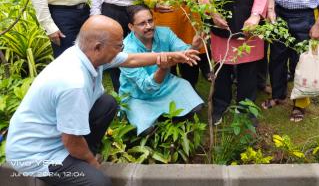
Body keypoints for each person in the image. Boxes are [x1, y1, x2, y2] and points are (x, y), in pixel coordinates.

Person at [6, 15, 199, 186]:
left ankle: (81, 157)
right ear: (98, 47)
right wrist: (92, 163)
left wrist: (173, 56)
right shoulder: (73, 82)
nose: (121, 49)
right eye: (118, 46)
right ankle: (82, 161)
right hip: (36, 155)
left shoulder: (84, 53)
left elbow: (131, 59)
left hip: (56, 137)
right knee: (99, 182)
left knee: (107, 103)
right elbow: (71, 140)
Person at [119, 5, 204, 135]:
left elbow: (183, 53)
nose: (149, 26)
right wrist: (162, 70)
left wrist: (194, 47)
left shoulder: (165, 33)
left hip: (166, 86)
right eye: (142, 23)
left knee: (196, 105)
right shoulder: (126, 51)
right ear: (131, 27)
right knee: (146, 130)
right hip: (138, 96)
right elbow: (146, 87)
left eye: (150, 21)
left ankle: (172, 120)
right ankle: (156, 121)